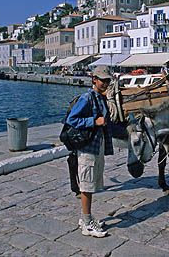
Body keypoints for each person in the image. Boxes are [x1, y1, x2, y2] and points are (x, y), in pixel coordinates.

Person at [65, 65, 113, 238]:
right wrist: (94, 121)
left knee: (91, 185)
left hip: (96, 146)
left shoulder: (101, 97)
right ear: (94, 79)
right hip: (87, 148)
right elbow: (72, 120)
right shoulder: (87, 98)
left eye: (108, 80)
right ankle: (87, 224)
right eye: (102, 80)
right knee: (86, 186)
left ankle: (87, 217)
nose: (105, 83)